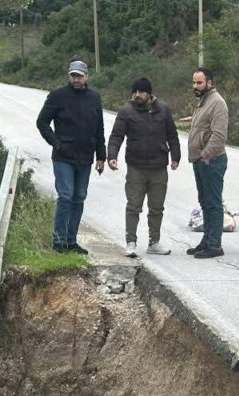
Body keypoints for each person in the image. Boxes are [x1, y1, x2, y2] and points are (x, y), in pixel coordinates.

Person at [36, 60, 106, 254]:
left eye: (80, 76)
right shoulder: (58, 96)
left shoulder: (94, 98)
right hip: (63, 156)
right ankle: (58, 241)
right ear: (69, 76)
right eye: (73, 75)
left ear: (86, 77)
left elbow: (99, 128)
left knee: (79, 197)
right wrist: (56, 142)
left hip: (85, 156)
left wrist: (101, 155)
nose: (76, 79)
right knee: (65, 196)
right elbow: (42, 122)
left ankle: (71, 241)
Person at [107, 77, 181, 258]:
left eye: (141, 92)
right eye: (135, 92)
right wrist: (112, 156)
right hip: (136, 166)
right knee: (133, 206)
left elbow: (172, 135)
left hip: (158, 166)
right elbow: (116, 136)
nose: (137, 95)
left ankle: (154, 242)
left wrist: (176, 156)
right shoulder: (126, 111)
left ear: (149, 93)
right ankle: (130, 242)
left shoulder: (163, 110)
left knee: (157, 207)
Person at [186, 67, 229, 259]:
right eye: (194, 82)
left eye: (199, 82)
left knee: (213, 203)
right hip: (200, 160)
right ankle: (206, 240)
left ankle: (214, 244)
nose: (195, 86)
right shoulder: (202, 102)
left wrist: (205, 155)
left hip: (212, 160)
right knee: (204, 202)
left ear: (209, 83)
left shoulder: (217, 103)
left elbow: (219, 135)